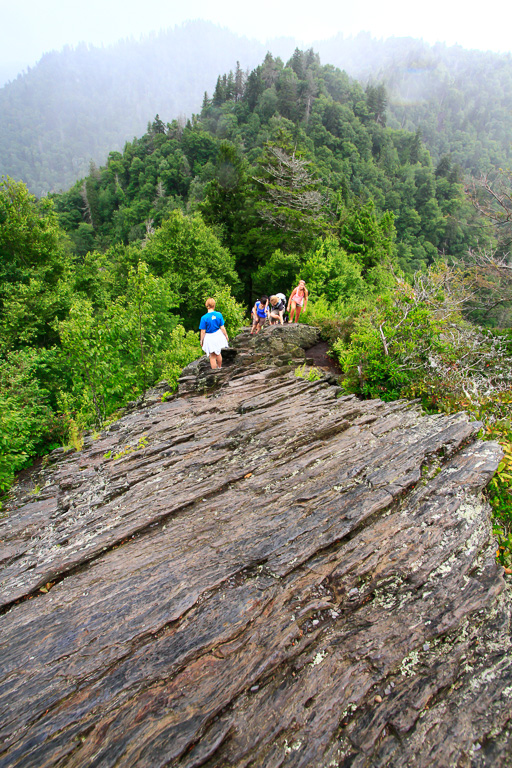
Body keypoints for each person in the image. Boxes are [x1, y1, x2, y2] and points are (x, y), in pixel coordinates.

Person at [199, 298, 229, 369]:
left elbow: (203, 331)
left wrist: (201, 340)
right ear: (214, 305)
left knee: (212, 356)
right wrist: (226, 335)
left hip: (209, 336)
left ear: (206, 305)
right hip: (218, 335)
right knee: (218, 353)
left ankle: (214, 372)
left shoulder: (204, 318)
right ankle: (220, 367)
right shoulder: (219, 315)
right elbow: (222, 327)